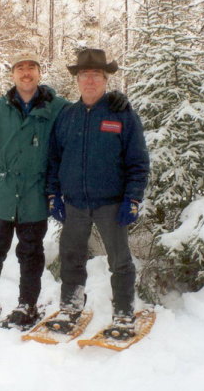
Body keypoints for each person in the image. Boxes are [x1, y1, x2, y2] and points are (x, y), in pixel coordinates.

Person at [0, 52, 129, 330]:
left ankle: (27, 306)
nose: (26, 73)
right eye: (20, 68)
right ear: (13, 74)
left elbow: (86, 114)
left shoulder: (58, 108)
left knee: (30, 252)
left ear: (40, 73)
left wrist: (114, 102)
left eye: (31, 67)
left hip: (35, 193)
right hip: (3, 194)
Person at [46, 48, 149, 338]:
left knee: (120, 261)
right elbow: (54, 159)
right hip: (75, 203)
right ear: (77, 80)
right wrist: (54, 195)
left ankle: (124, 312)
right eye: (84, 75)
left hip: (111, 204)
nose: (90, 81)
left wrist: (132, 198)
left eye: (96, 75)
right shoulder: (67, 116)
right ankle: (71, 306)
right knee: (71, 257)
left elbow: (138, 161)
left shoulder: (121, 113)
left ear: (105, 79)